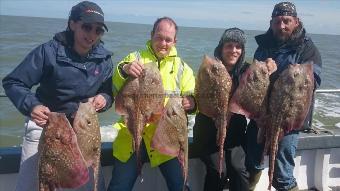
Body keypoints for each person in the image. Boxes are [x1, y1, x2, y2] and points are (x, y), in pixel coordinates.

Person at [2, 1, 113, 190]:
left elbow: (109, 92)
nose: (92, 35)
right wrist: (32, 106)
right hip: (46, 127)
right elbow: (13, 82)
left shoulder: (104, 60)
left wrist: (105, 98)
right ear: (72, 24)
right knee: (30, 184)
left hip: (82, 130)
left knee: (92, 185)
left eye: (98, 30)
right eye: (87, 27)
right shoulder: (48, 52)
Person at [107, 17, 196, 191]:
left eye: (168, 39)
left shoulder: (182, 68)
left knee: (179, 184)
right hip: (130, 134)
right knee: (119, 186)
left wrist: (191, 102)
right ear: (151, 35)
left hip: (166, 136)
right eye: (159, 37)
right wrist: (125, 69)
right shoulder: (135, 57)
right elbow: (114, 84)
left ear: (174, 41)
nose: (163, 43)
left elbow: (193, 96)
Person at [246, 2, 322, 191]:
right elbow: (253, 78)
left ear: (296, 22)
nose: (281, 26)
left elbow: (314, 80)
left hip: (289, 119)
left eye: (286, 21)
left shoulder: (307, 48)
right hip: (262, 115)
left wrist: (279, 74)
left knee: (282, 172)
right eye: (277, 21)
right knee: (252, 162)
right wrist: (262, 69)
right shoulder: (263, 46)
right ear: (271, 22)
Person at [191, 27, 249, 191]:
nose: (233, 50)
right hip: (207, 133)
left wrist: (269, 69)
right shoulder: (209, 68)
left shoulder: (246, 71)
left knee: (239, 170)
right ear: (221, 48)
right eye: (229, 45)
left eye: (238, 47)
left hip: (235, 135)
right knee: (218, 171)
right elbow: (197, 95)